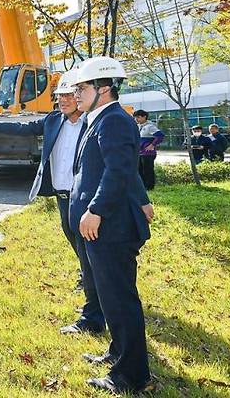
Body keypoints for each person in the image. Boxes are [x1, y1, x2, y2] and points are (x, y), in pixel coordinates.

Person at [0, 71, 153, 338]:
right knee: (86, 258)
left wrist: (142, 200)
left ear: (82, 95)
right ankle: (99, 302)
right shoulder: (54, 120)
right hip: (65, 202)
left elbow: (122, 168)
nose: (63, 101)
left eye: (68, 95)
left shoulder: (95, 123)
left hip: (91, 205)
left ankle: (95, 313)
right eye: (59, 96)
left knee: (94, 260)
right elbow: (22, 128)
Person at [69, 56, 152, 394]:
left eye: (82, 88)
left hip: (111, 228)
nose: (76, 94)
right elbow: (119, 168)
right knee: (110, 297)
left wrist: (96, 210)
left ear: (103, 89)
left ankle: (131, 376)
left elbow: (118, 171)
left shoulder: (114, 120)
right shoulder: (101, 118)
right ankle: (118, 353)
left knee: (120, 300)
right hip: (103, 227)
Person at [133, 110, 165, 190]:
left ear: (144, 117)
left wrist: (152, 145)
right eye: (135, 117)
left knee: (148, 170)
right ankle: (142, 187)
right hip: (139, 153)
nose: (136, 119)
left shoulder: (150, 126)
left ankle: (150, 187)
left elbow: (160, 136)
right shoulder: (138, 126)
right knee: (139, 170)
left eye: (138, 117)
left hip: (148, 153)